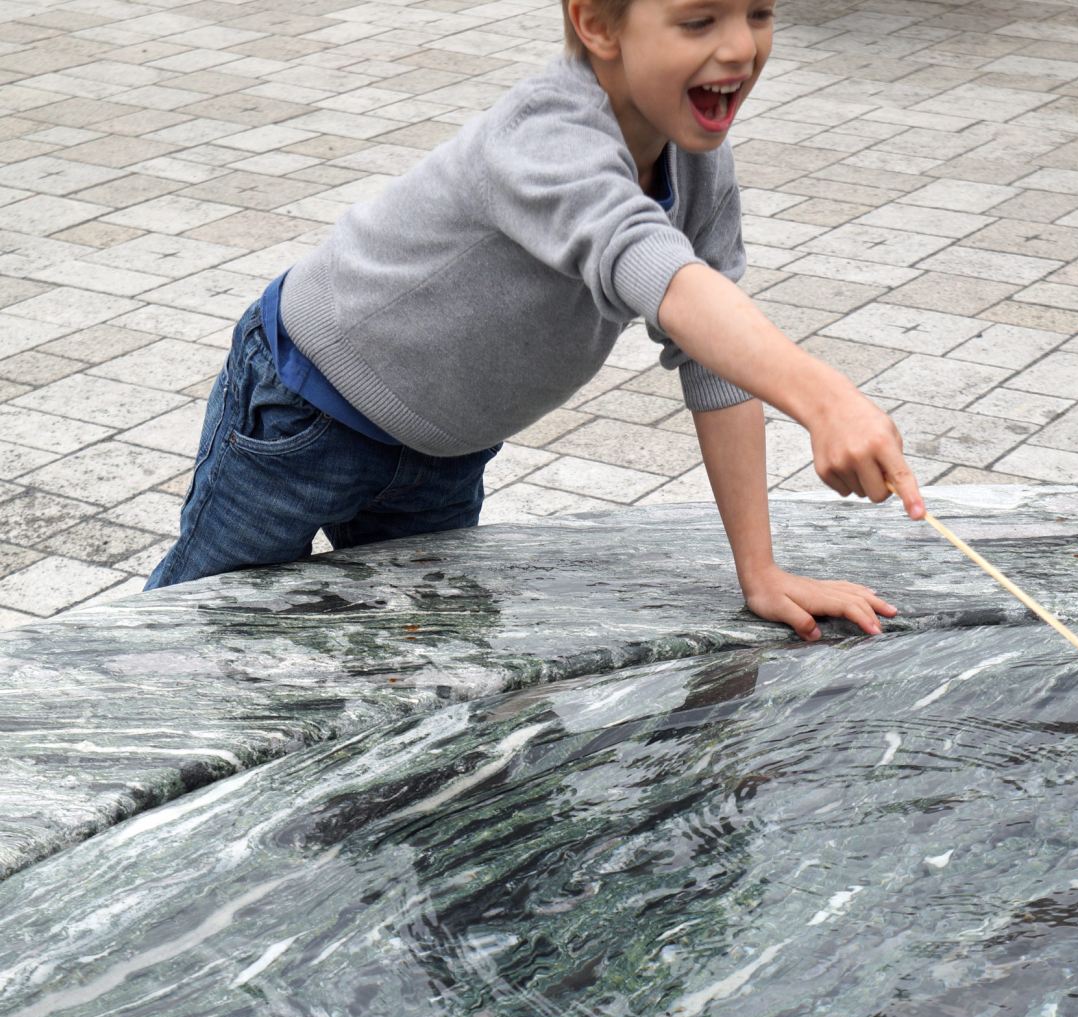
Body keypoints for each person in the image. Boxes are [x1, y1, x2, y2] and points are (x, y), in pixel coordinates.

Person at [146, 0, 926, 644]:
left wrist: (760, 572)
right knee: (198, 631)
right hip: (305, 410)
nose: (740, 48)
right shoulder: (544, 134)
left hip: (445, 453)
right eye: (699, 21)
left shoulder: (697, 165)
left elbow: (711, 354)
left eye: (759, 13)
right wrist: (825, 400)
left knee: (423, 651)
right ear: (597, 24)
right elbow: (661, 275)